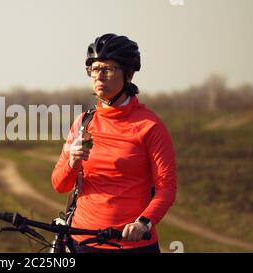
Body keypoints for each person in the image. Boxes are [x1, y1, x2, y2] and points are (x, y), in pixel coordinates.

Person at [51, 33, 177, 253]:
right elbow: (59, 185)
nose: (99, 76)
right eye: (94, 69)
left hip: (131, 243)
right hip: (82, 241)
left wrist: (144, 222)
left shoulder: (150, 126)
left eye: (107, 69)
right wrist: (71, 163)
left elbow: (166, 187)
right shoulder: (83, 123)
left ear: (128, 74)